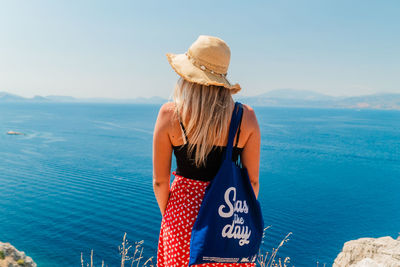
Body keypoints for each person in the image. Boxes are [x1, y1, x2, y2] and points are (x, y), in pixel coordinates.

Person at [153, 35, 261, 266]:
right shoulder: (246, 117)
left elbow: (160, 182)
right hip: (227, 221)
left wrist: (173, 217)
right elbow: (252, 182)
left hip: (181, 220)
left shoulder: (169, 115)